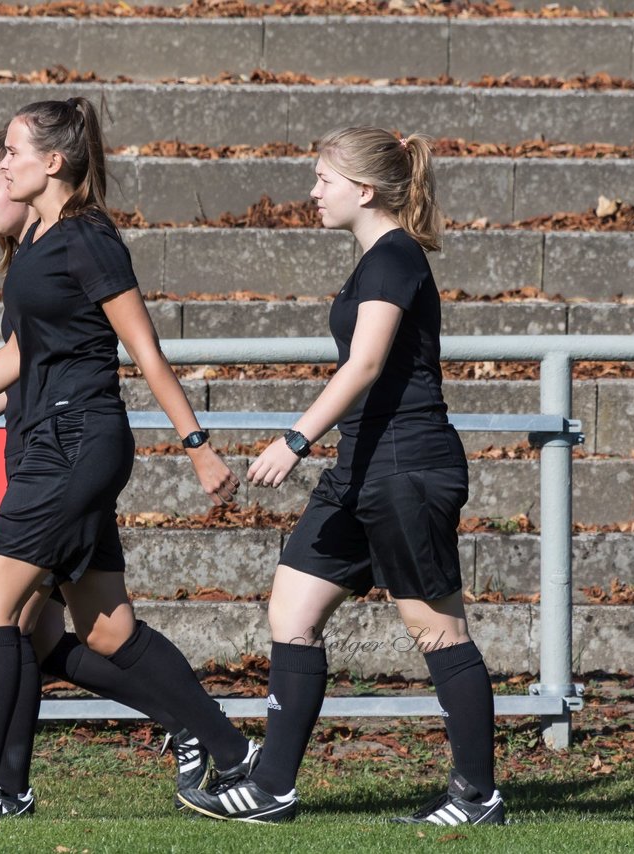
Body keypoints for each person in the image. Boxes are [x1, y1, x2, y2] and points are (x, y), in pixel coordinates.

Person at [0, 98, 257, 822]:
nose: (3, 166)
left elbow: (143, 349)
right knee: (103, 631)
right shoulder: (44, 239)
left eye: (14, 154)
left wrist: (198, 448)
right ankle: (228, 748)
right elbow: (27, 352)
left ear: (53, 163)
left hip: (75, 444)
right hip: (56, 441)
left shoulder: (88, 239)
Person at [178, 127, 504, 826]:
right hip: (359, 468)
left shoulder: (394, 259)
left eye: (324, 180)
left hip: (407, 468)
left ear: (365, 190)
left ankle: (478, 796)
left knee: (438, 632)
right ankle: (271, 789)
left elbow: (365, 364)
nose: (313, 192)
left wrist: (295, 440)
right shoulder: (373, 261)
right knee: (291, 611)